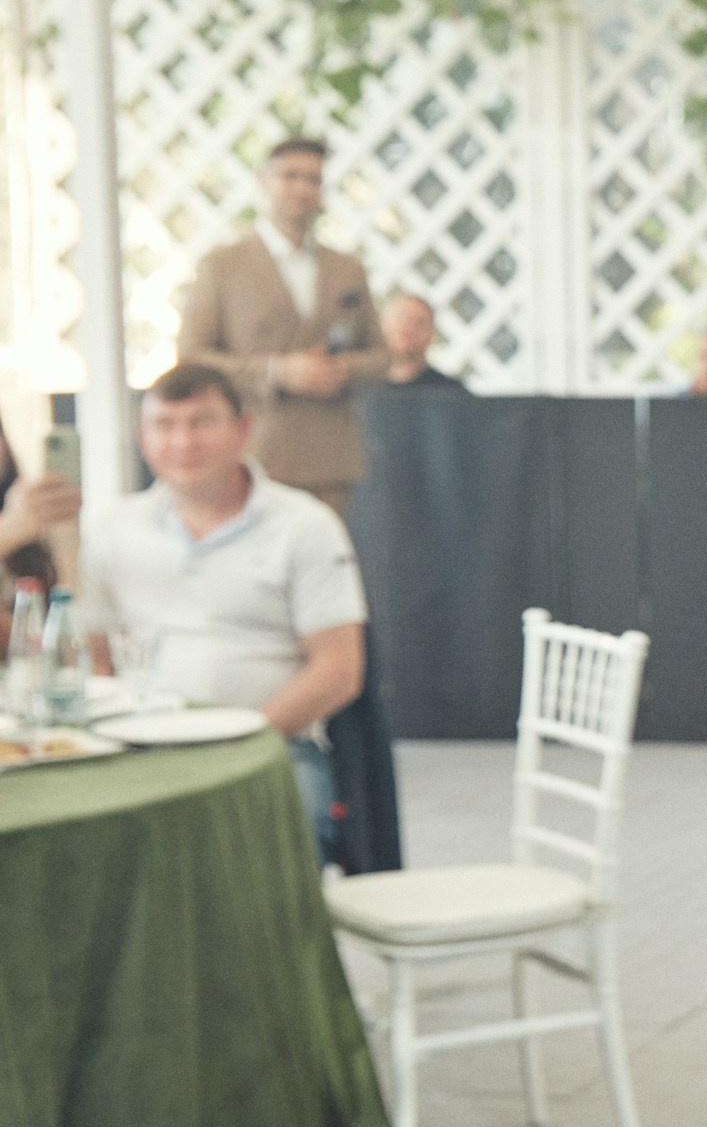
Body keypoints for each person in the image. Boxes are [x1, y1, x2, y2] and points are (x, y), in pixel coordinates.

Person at [84, 364, 368, 865]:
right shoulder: (113, 528)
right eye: (164, 425)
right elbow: (96, 655)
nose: (182, 441)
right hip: (142, 745)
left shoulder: (304, 526)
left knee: (267, 841)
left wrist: (241, 741)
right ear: (142, 438)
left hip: (271, 748)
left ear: (243, 429)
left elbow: (339, 670)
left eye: (201, 422)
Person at [175, 137, 391, 517]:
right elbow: (193, 357)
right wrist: (279, 371)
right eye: (290, 176)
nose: (302, 188)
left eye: (313, 179)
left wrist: (341, 370)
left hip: (331, 458)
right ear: (264, 182)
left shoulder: (346, 268)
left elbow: (381, 358)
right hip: (257, 454)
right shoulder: (223, 266)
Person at [0, 414, 77, 593]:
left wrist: (63, 535)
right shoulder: (16, 521)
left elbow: (66, 598)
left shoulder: (26, 506)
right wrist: (10, 530)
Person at [378, 294, 469, 391]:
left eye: (418, 323)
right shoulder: (362, 387)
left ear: (431, 333)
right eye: (399, 319)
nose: (406, 329)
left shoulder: (451, 393)